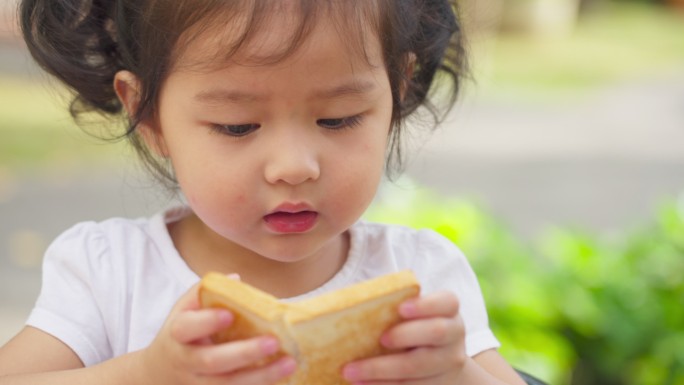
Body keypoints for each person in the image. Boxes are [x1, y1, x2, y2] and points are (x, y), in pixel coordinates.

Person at [0, 1, 526, 384]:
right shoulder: (110, 274)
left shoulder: (421, 279)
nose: (293, 167)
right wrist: (144, 373)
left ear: (397, 91)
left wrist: (456, 374)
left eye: (339, 118)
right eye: (237, 126)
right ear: (149, 114)